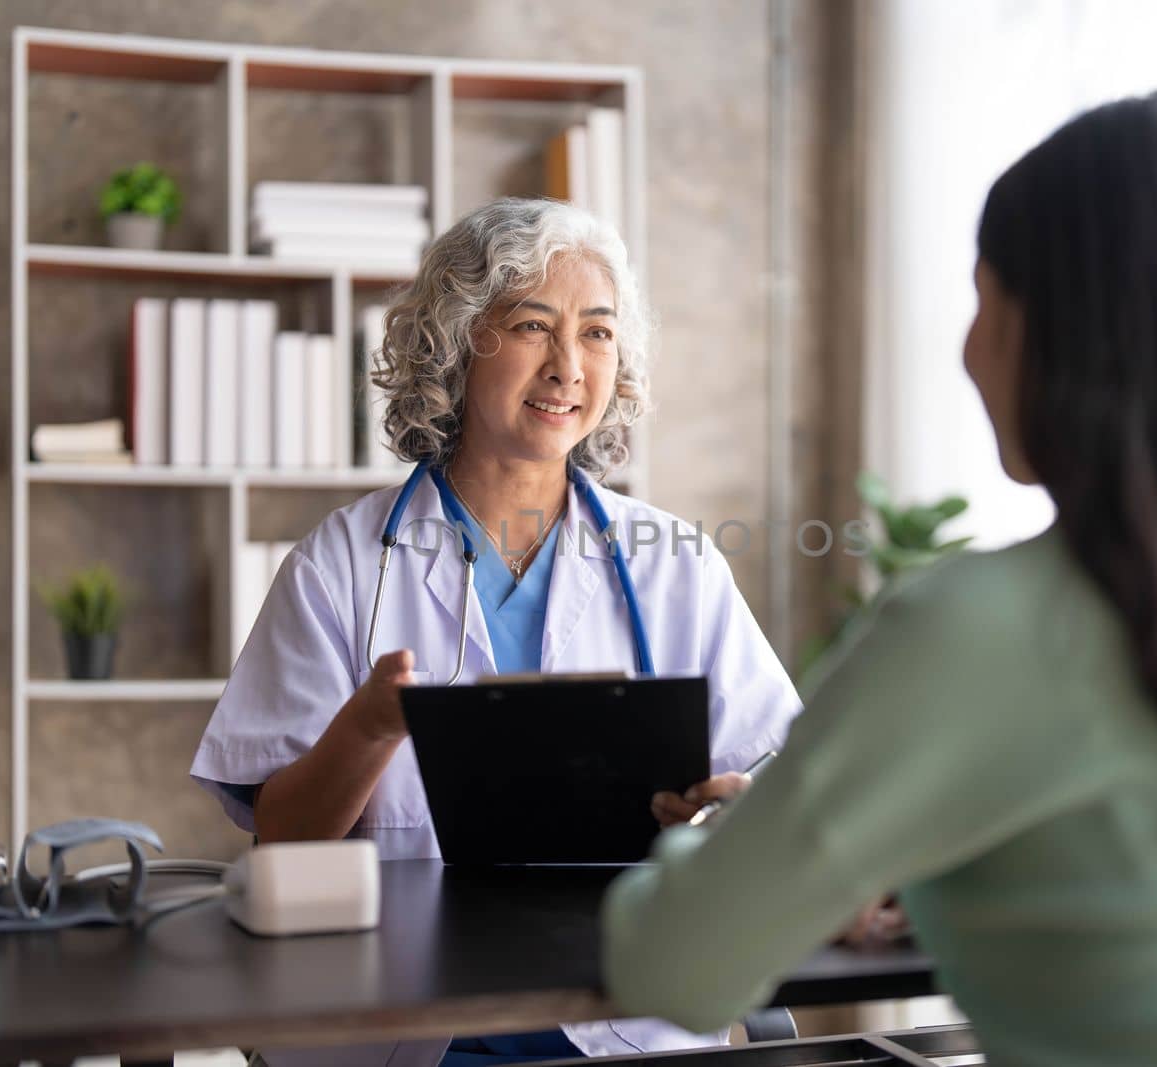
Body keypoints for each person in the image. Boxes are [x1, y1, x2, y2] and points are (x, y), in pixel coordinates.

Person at [601, 92, 1157, 1067]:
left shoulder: (980, 626)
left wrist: (731, 833)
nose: (965, 346)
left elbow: (674, 968)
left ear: (1061, 332)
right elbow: (1154, 884)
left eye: (982, 297)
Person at [190, 197, 799, 1067]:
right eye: (531, 326)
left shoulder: (676, 564)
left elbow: (779, 774)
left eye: (595, 333)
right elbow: (283, 845)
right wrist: (369, 727)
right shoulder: (344, 565)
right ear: (456, 339)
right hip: (400, 1030)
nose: (567, 367)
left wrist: (739, 812)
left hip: (624, 1022)